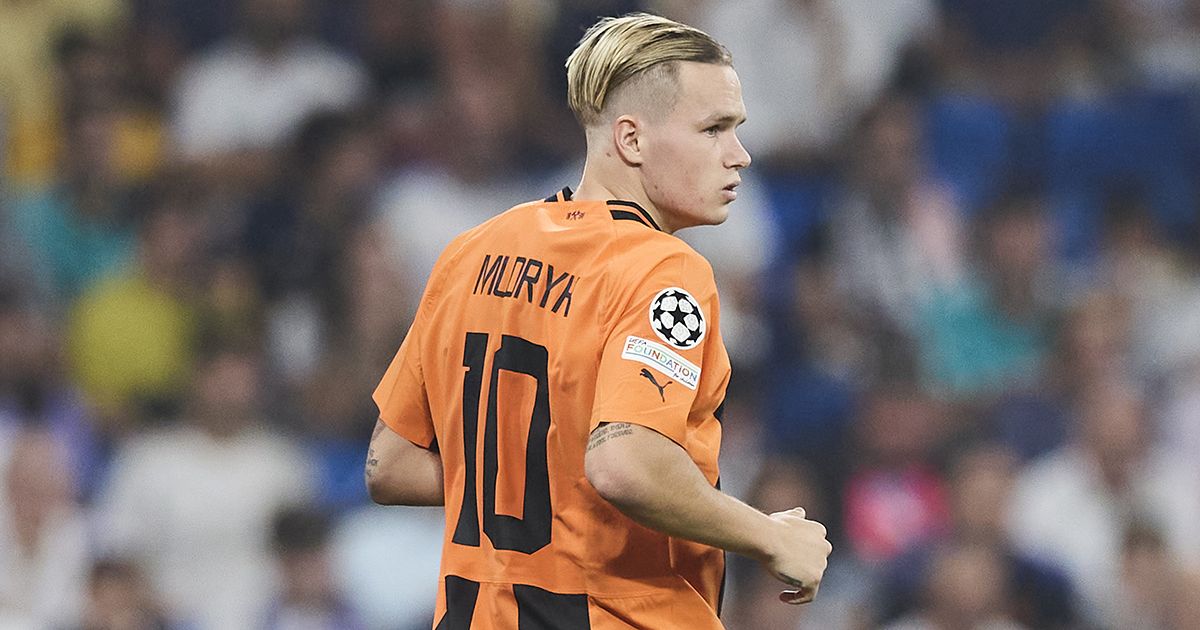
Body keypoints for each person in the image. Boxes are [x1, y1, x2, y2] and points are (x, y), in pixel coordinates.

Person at [365, 12, 832, 629]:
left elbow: (388, 465)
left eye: (737, 129)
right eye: (714, 129)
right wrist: (768, 536)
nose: (739, 156)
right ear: (632, 140)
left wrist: (546, 490)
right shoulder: (661, 270)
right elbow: (625, 464)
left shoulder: (470, 252)